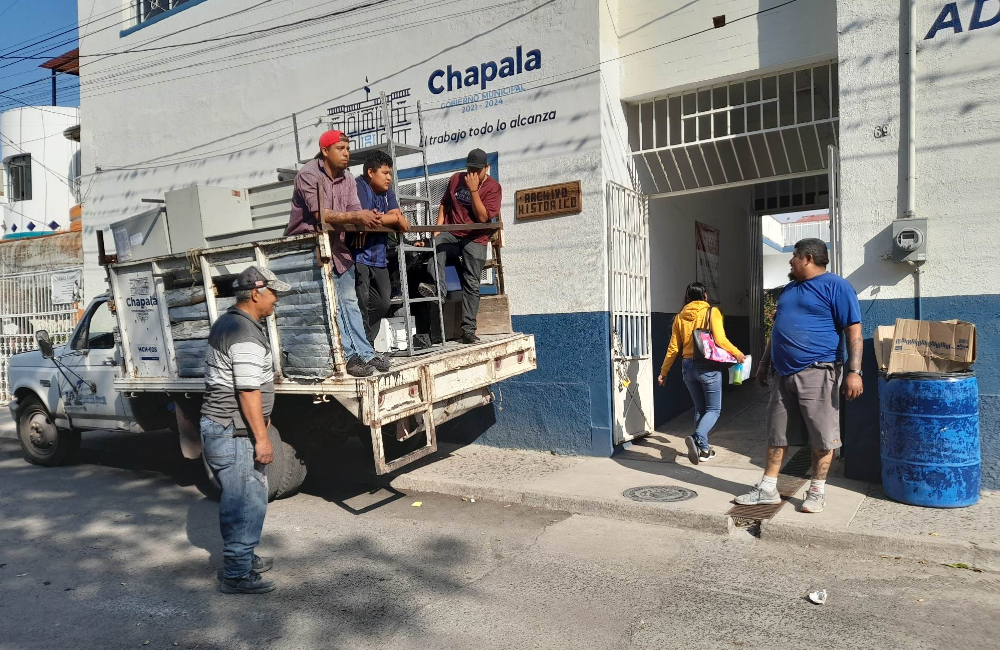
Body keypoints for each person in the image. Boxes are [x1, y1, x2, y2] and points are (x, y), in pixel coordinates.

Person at [734, 238, 863, 514]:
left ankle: (817, 491)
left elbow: (853, 331)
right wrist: (764, 362)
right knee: (776, 432)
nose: (790, 261)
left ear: (807, 258)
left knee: (822, 435)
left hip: (819, 371)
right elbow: (777, 330)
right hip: (783, 373)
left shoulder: (836, 286)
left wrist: (854, 371)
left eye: (794, 256)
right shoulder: (789, 290)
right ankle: (767, 488)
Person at [200, 266, 290, 594]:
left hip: (230, 429)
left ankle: (244, 556)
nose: (276, 301)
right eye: (273, 294)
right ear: (256, 293)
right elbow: (248, 390)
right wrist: (263, 438)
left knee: (250, 496)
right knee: (244, 501)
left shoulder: (231, 322)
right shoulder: (244, 333)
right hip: (233, 432)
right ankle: (237, 574)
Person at [285, 129, 390, 377]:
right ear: (325, 151)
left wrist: (366, 221)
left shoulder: (348, 178)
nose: (346, 153)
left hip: (337, 248)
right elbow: (322, 214)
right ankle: (348, 356)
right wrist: (357, 216)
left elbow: (354, 208)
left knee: (350, 303)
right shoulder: (308, 175)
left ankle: (365, 353)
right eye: (340, 149)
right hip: (309, 249)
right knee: (332, 307)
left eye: (348, 148)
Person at [418, 148, 501, 344]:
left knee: (472, 283)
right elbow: (445, 204)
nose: (473, 173)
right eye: (470, 169)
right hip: (453, 233)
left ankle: (468, 330)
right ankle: (438, 288)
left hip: (476, 238)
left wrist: (473, 190)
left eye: (477, 170)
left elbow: (482, 217)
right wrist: (438, 228)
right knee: (435, 244)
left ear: (486, 168)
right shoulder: (456, 179)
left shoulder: (493, 188)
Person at [657, 282, 745, 465]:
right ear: (705, 295)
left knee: (700, 409)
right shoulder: (711, 312)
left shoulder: (679, 317)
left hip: (687, 367)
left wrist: (663, 372)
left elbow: (673, 348)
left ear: (687, 298)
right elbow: (720, 339)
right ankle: (698, 436)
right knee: (714, 409)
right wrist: (737, 353)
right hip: (707, 366)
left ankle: (704, 449)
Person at [354, 150, 410, 344]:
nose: (389, 178)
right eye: (385, 173)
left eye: (390, 173)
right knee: (361, 304)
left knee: (383, 302)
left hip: (379, 257)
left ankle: (365, 343)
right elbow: (364, 218)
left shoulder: (388, 193)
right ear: (371, 172)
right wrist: (391, 219)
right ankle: (365, 348)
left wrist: (389, 218)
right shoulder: (359, 186)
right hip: (358, 255)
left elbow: (399, 219)